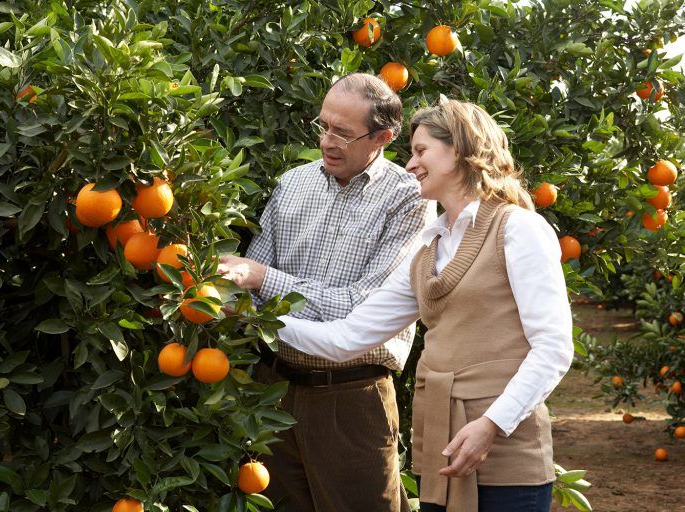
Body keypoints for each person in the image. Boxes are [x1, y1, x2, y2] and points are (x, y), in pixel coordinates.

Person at [275, 98, 574, 512]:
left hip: (506, 456)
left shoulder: (518, 228)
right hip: (439, 449)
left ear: (460, 150)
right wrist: (256, 320)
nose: (410, 164)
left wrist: (491, 425)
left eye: (420, 151)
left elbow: (553, 348)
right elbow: (347, 338)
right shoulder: (427, 251)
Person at [218, 73, 436, 511]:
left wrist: (264, 278)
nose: (327, 141)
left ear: (383, 137)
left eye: (343, 132)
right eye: (323, 126)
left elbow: (363, 310)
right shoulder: (293, 184)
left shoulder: (409, 199)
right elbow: (249, 292)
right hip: (274, 391)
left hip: (351, 399)